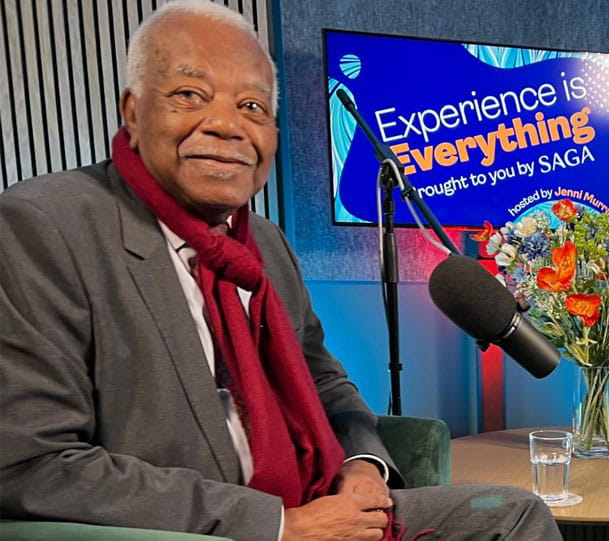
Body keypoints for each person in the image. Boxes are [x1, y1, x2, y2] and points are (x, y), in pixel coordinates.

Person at [0, 2, 561, 540]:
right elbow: (32, 464)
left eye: (252, 107)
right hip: (204, 529)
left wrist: (362, 464)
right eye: (190, 95)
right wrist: (276, 527)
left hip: (314, 501)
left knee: (514, 515)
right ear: (132, 112)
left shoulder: (265, 241)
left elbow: (323, 380)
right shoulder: (43, 228)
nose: (226, 125)